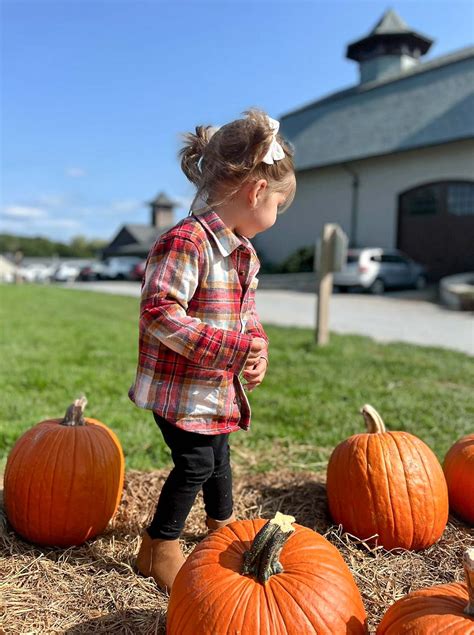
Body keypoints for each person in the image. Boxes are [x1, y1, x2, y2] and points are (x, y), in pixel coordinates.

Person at [129, 108, 296, 591]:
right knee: (196, 463)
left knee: (220, 456)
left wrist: (256, 346)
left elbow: (246, 315)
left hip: (212, 390)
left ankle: (222, 530)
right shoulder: (185, 242)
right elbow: (159, 311)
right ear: (257, 191)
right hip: (179, 390)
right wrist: (232, 349)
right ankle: (158, 545)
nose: (276, 217)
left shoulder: (242, 251)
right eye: (279, 206)